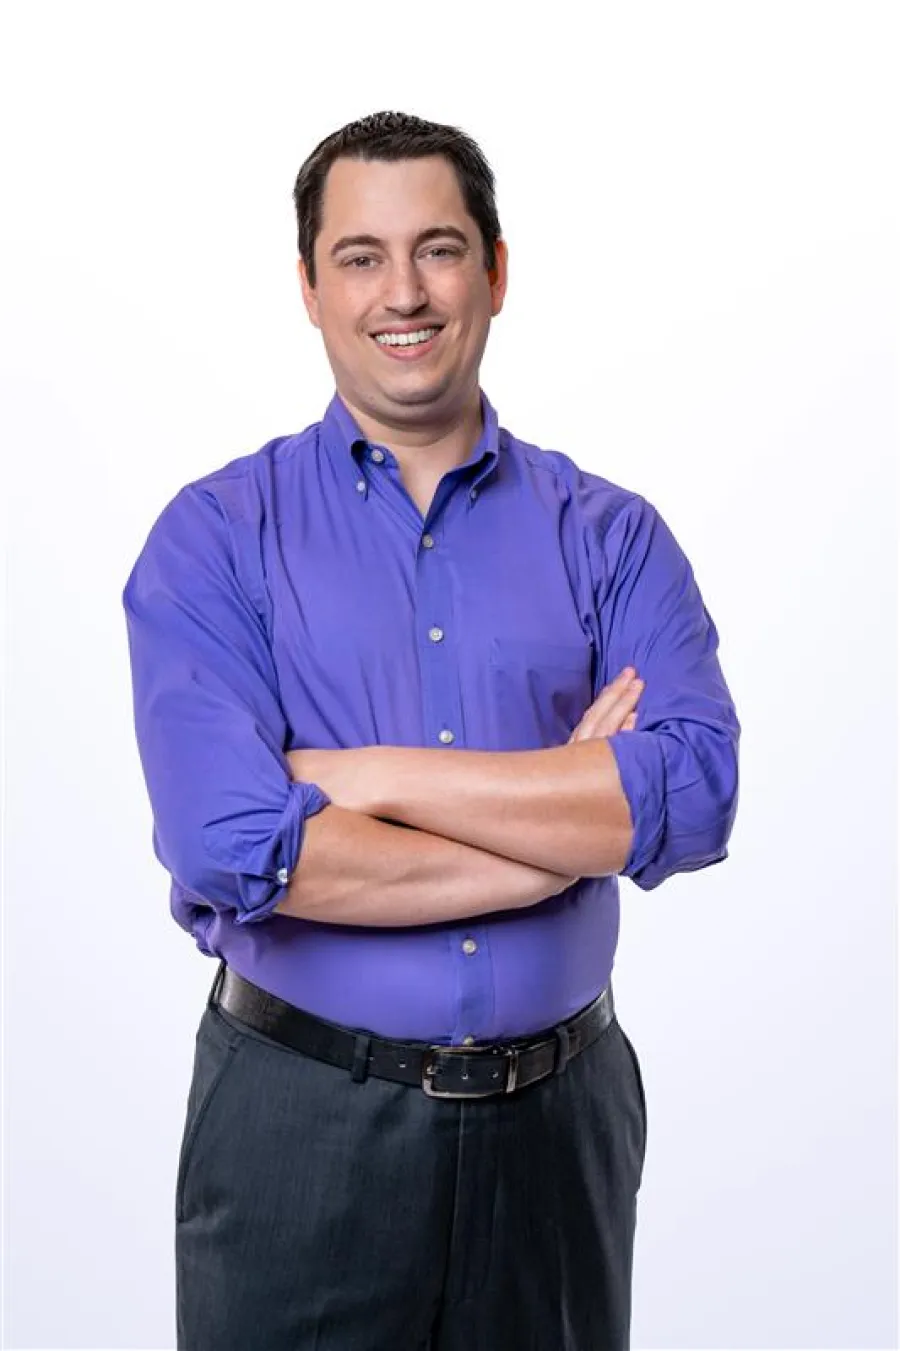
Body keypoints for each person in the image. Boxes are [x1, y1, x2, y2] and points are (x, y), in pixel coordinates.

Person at [122, 109, 740, 1351]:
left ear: (496, 271)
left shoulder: (608, 536)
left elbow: (692, 790)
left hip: (559, 1127)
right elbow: (239, 842)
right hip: (303, 1124)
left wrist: (366, 778)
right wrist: (569, 824)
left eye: (439, 249)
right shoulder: (214, 537)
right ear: (308, 286)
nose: (401, 291)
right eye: (360, 256)